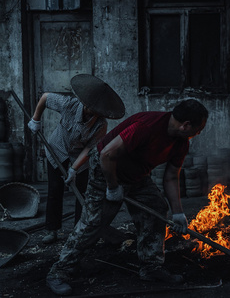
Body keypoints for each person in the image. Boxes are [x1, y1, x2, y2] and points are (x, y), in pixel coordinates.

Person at [45, 98, 208, 296]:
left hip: (137, 175)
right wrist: (113, 188)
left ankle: (151, 267)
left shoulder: (180, 143)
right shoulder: (146, 126)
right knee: (93, 222)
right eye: (198, 130)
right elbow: (106, 155)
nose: (197, 134)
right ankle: (60, 272)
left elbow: (171, 177)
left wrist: (178, 213)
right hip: (105, 171)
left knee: (156, 208)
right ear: (186, 125)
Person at [28, 74, 125, 245]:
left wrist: (74, 169)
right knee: (55, 189)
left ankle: (78, 231)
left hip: (79, 157)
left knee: (82, 191)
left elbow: (89, 149)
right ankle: (52, 230)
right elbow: (45, 97)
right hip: (57, 149)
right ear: (85, 103)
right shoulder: (69, 104)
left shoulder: (101, 124)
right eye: (89, 108)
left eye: (96, 111)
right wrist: (36, 120)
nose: (91, 112)